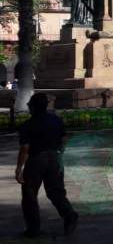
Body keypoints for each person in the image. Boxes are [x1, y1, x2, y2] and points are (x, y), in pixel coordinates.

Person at [16, 93, 78, 237]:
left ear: (33, 106)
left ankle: (33, 229)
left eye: (29, 105)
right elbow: (63, 139)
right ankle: (69, 214)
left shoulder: (27, 125)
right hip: (54, 158)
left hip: (36, 160)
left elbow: (25, 149)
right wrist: (59, 155)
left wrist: (19, 168)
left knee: (29, 195)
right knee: (55, 192)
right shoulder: (56, 120)